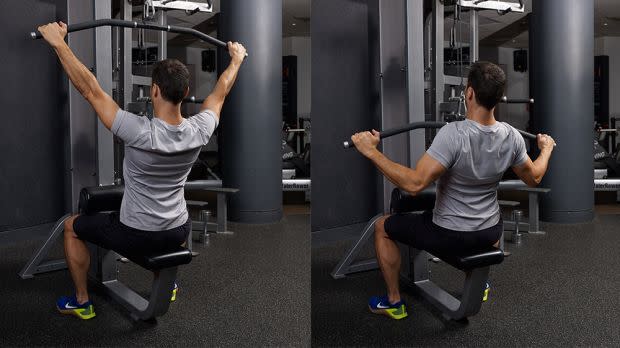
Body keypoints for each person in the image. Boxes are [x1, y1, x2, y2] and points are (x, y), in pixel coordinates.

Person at [37, 21, 247, 320]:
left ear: (154, 90)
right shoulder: (200, 130)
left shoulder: (139, 131)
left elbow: (90, 89)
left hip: (136, 234)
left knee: (72, 226)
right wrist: (236, 59)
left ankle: (81, 301)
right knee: (179, 221)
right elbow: (221, 91)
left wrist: (59, 43)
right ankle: (169, 283)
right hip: (177, 230)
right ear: (187, 92)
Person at [351, 61, 555, 320]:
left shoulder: (453, 134)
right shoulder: (512, 136)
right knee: (487, 223)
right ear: (498, 98)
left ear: (469, 93)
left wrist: (370, 151)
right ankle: (480, 285)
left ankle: (393, 301)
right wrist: (546, 148)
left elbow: (414, 184)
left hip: (449, 234)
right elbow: (534, 177)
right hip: (490, 231)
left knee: (382, 227)